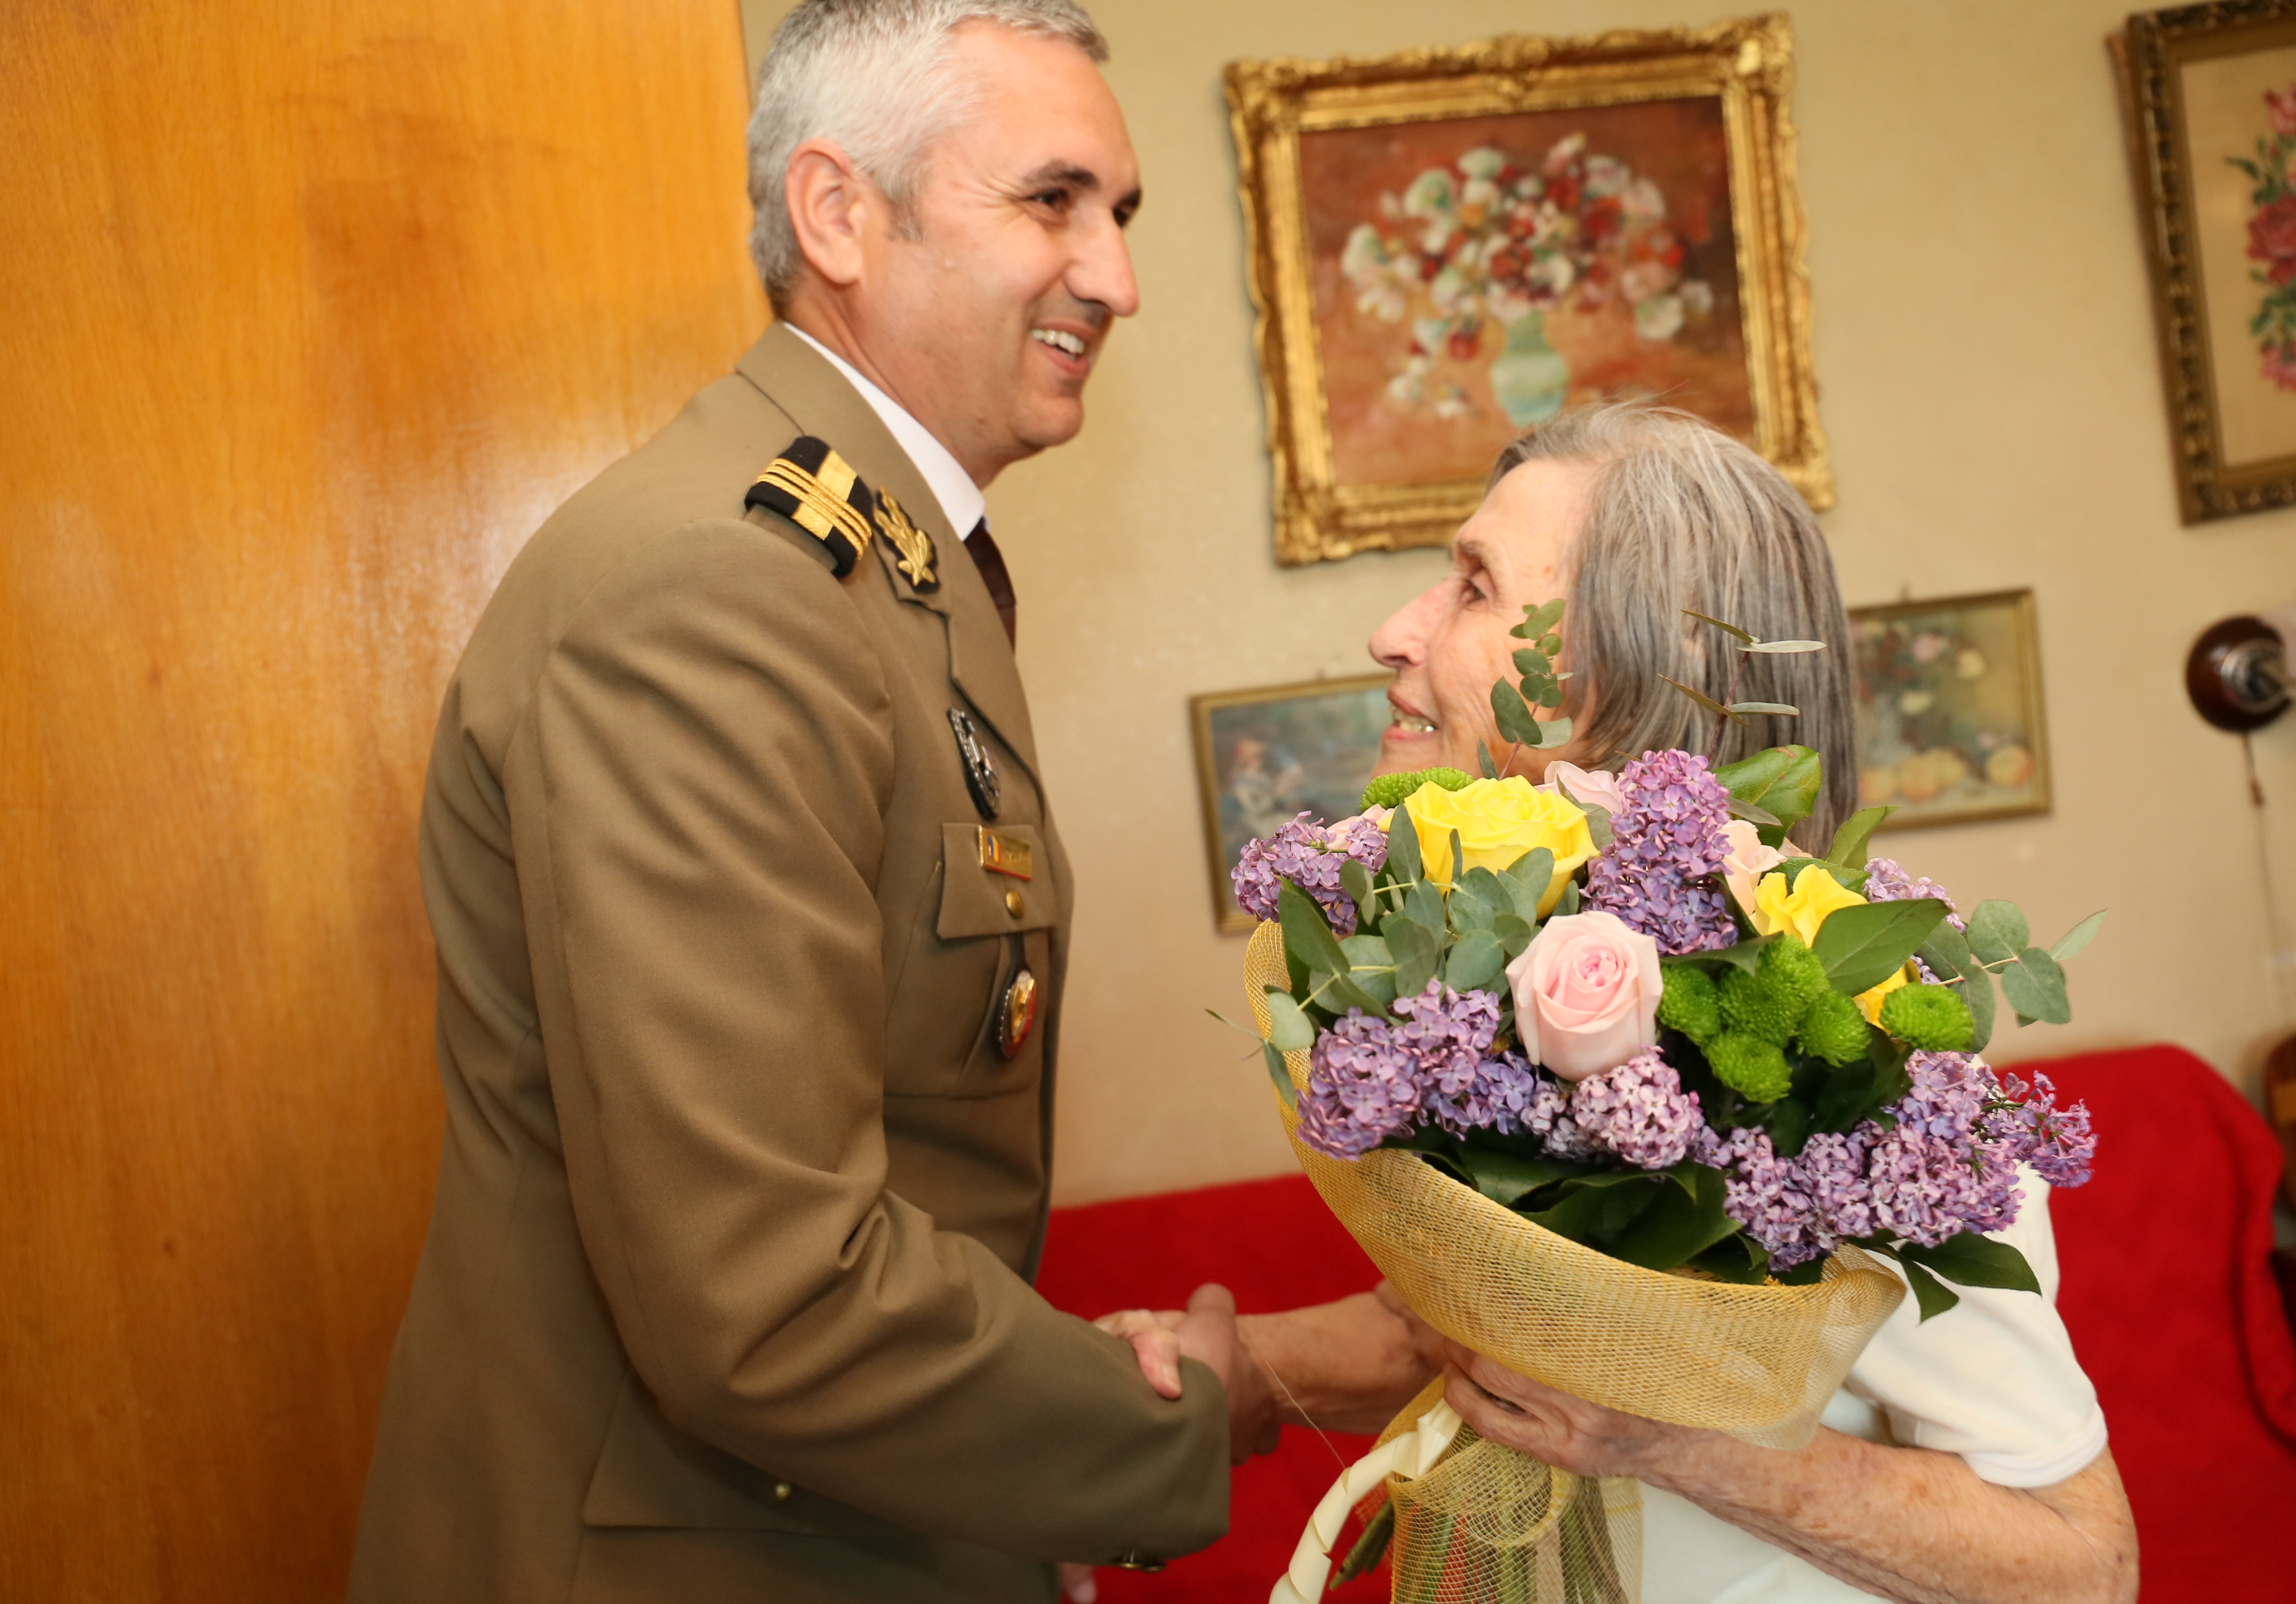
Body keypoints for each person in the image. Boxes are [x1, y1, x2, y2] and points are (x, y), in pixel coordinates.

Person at [346, 5, 1276, 1602]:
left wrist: (1008, 1485)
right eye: (1053, 201)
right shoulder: (720, 588)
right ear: (838, 214)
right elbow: (770, 1292)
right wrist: (1224, 1407)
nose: (1115, 275)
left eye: (1120, 215)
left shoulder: (876, 564)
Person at [1121, 402, 2138, 1604]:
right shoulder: (1487, 977)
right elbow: (1500, 1321)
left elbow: (2083, 1563)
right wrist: (1239, 1366)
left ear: (1622, 678)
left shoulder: (1867, 1069)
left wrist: (1674, 1442)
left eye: (1471, 586)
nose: (1392, 632)